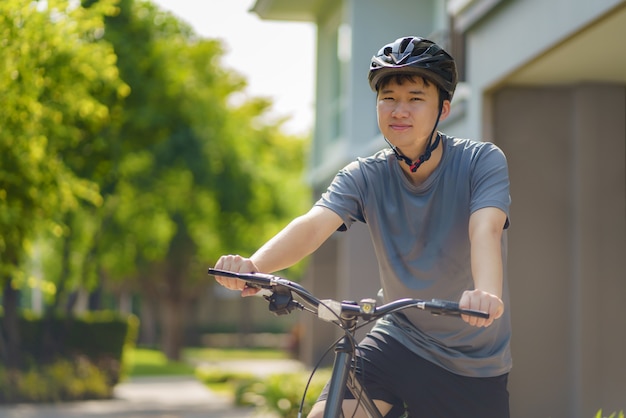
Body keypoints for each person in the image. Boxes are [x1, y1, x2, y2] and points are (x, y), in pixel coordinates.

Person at [214, 36, 511, 418]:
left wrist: (485, 293)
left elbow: (484, 230)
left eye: (415, 98)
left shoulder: (481, 162)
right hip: (398, 339)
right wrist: (255, 268)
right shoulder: (364, 174)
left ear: (444, 109)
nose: (399, 110)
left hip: (472, 358)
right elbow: (312, 226)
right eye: (388, 98)